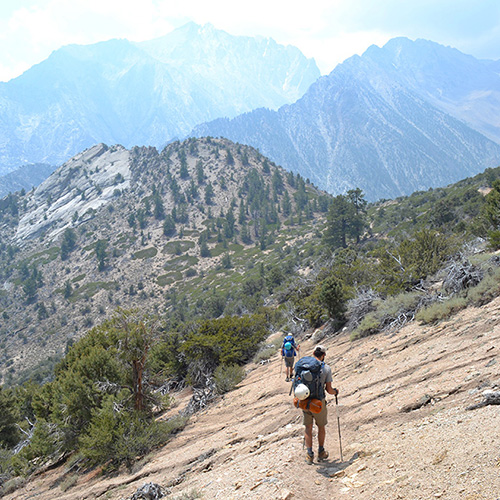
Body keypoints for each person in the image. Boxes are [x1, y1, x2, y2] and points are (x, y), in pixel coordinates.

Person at [302, 344, 338, 464]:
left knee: (308, 427)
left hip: (305, 401)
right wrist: (336, 392)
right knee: (321, 426)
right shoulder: (326, 368)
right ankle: (321, 451)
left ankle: (309, 454)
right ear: (323, 355)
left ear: (313, 354)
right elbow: (329, 390)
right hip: (318, 402)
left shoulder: (304, 366)